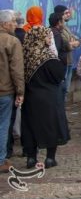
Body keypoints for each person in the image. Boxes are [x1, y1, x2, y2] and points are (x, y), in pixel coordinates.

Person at [21, 25, 70, 168]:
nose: (49, 39)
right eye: (47, 36)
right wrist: (54, 53)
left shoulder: (25, 56)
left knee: (30, 126)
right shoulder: (48, 57)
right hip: (49, 97)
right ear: (40, 38)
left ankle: (31, 158)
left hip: (30, 97)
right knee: (50, 126)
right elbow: (59, 75)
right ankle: (49, 158)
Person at [0, 10, 25, 173]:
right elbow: (16, 69)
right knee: (3, 125)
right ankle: (1, 159)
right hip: (5, 91)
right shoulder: (12, 41)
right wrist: (20, 91)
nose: (16, 24)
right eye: (13, 22)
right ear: (4, 24)